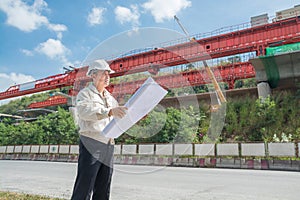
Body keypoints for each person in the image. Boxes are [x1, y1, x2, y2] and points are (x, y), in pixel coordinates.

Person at [71, 59, 127, 200]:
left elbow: (115, 118)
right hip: (92, 143)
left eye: (109, 74)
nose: (107, 76)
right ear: (93, 75)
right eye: (104, 73)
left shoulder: (110, 98)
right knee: (85, 185)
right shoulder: (85, 94)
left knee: (104, 186)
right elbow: (84, 111)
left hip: (108, 144)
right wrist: (109, 112)